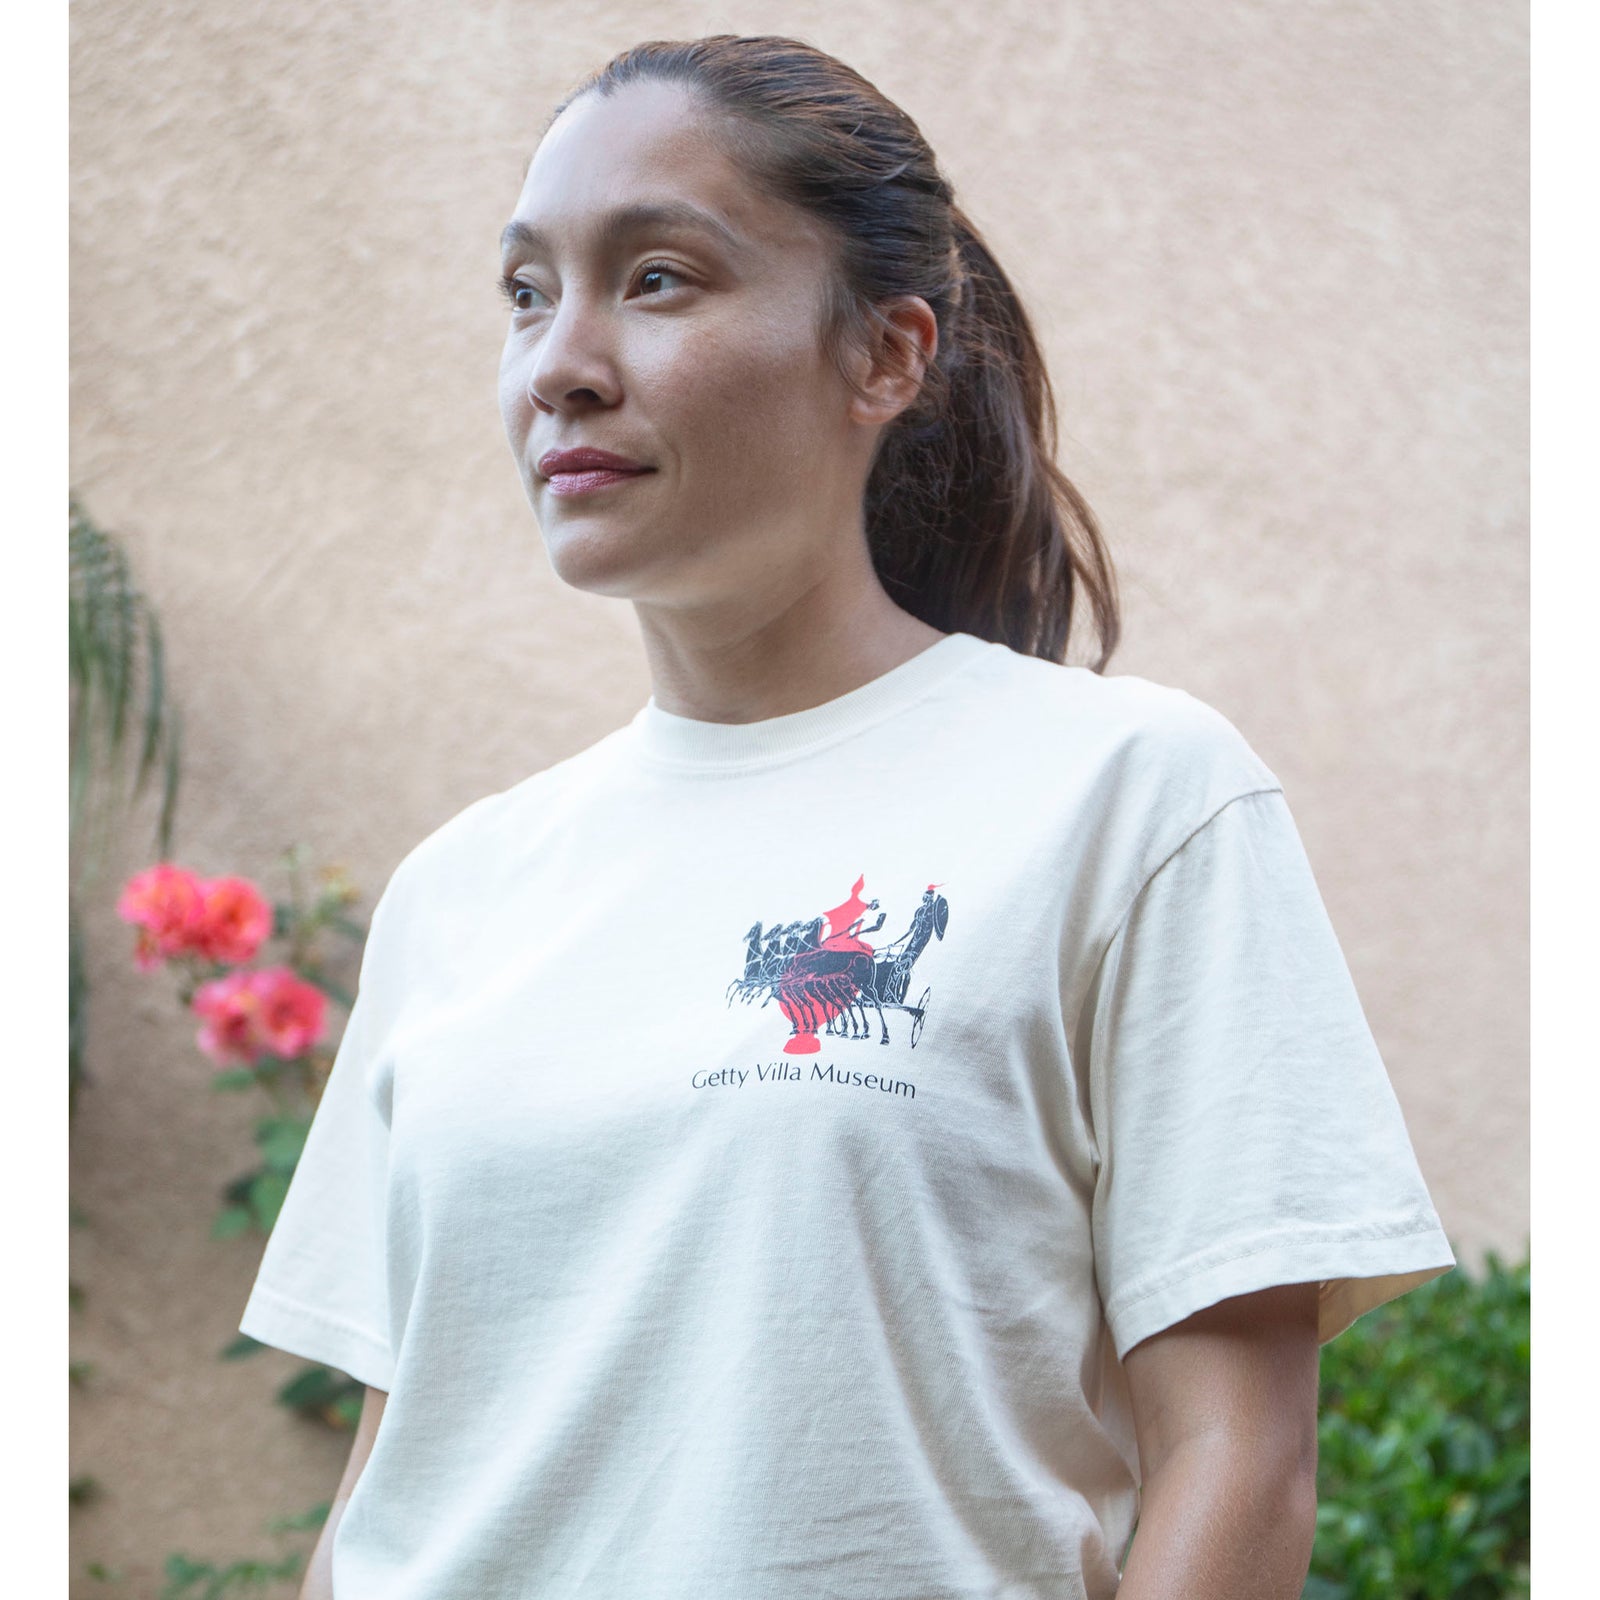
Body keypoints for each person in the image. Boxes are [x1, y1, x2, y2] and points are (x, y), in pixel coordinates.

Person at [240, 34, 1456, 1600]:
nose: (561, 363)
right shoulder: (460, 889)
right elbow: (386, 1489)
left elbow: (1242, 1459)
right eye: (528, 292)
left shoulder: (1129, 798)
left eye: (660, 279)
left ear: (886, 356)